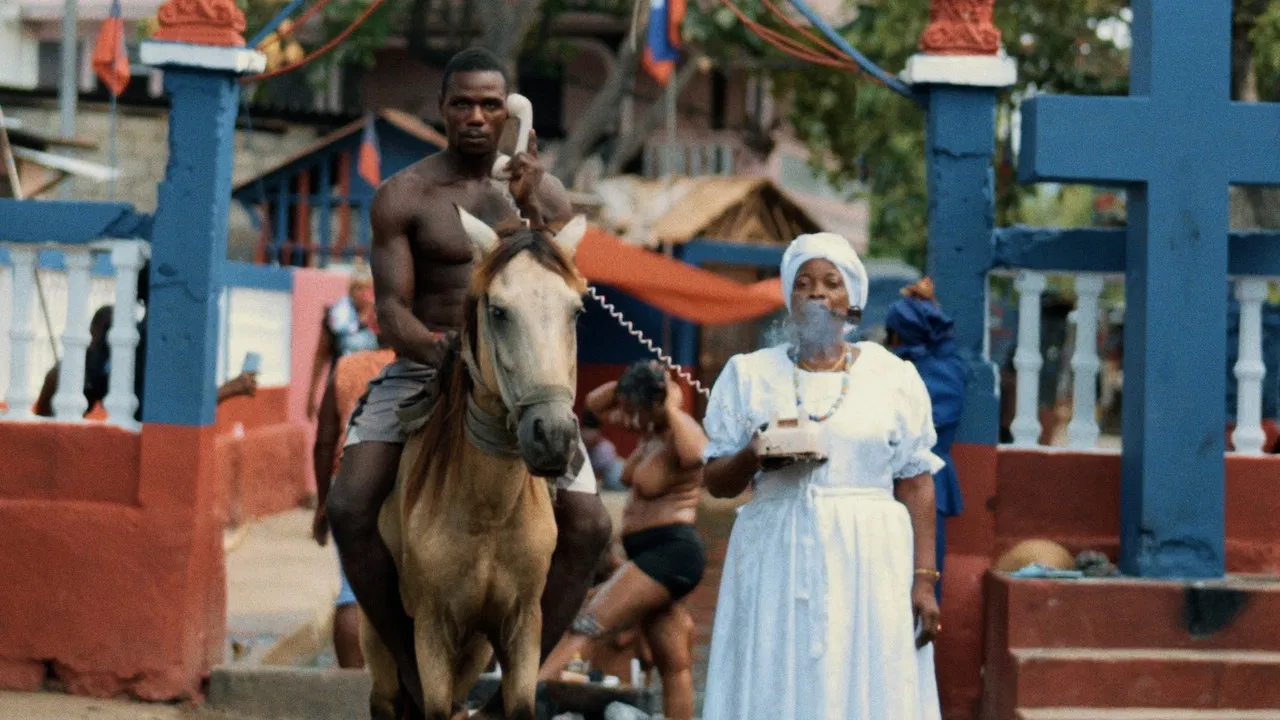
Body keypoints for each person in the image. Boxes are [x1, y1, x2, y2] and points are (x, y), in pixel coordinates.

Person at [324, 47, 612, 716]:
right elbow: (392, 308)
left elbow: (553, 296)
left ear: (511, 112)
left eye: (491, 104)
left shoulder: (542, 195)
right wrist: (439, 352)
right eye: (463, 104)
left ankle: (515, 680)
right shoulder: (406, 194)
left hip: (518, 384)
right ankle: (411, 673)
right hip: (425, 369)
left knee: (592, 524)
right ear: (443, 109)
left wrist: (533, 204)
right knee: (348, 507)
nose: (477, 117)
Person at [699, 232, 943, 720]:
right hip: (776, 553)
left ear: (852, 300)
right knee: (775, 674)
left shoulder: (894, 376)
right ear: (789, 298)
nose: (817, 293)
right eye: (804, 283)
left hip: (870, 560)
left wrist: (923, 581)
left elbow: (916, 482)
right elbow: (716, 481)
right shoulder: (748, 374)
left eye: (832, 283)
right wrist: (754, 453)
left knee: (867, 681)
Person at [539, 362, 706, 720]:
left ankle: (511, 706)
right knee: (673, 663)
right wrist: (630, 384)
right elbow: (594, 406)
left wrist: (672, 406)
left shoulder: (678, 430)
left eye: (636, 411)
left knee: (589, 622)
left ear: (655, 405)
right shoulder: (647, 433)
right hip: (646, 554)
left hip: (671, 552)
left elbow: (697, 455)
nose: (629, 420)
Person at [311, 342, 397, 669]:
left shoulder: (346, 367)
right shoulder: (423, 364)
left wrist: (323, 504)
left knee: (352, 590)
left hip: (349, 481)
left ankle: (350, 688)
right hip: (401, 483)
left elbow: (323, 443)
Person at [884, 277, 968, 599]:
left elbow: (911, 428)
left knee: (919, 580)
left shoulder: (930, 372)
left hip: (923, 480)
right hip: (903, 482)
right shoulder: (945, 367)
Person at [307, 263, 380, 418]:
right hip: (340, 384)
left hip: (370, 387)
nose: (363, 294)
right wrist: (312, 393)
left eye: (367, 289)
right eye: (358, 288)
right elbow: (321, 355)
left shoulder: (381, 318)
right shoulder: (336, 316)